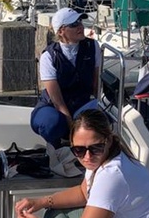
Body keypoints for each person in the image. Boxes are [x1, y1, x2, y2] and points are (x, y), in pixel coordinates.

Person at [16, 109, 149, 218]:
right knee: (54, 211)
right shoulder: (106, 158)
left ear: (108, 141)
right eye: (79, 150)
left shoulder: (111, 175)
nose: (87, 157)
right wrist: (42, 202)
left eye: (95, 148)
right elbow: (83, 193)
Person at [30, 8, 101, 148]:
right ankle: (56, 150)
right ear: (61, 31)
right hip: (52, 106)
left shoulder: (93, 46)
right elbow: (58, 102)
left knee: (105, 118)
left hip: (81, 103)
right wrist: (72, 127)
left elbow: (96, 83)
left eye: (80, 22)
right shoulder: (49, 56)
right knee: (52, 123)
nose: (80, 26)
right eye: (74, 24)